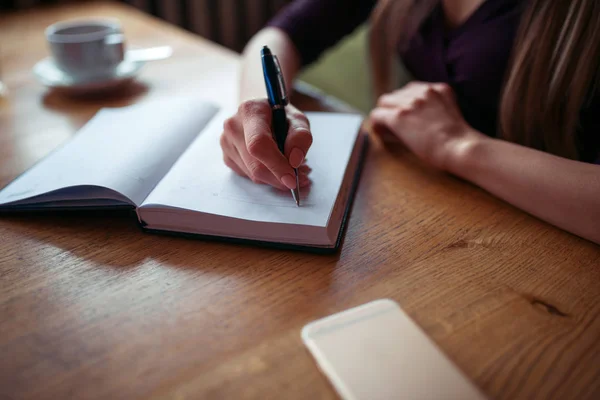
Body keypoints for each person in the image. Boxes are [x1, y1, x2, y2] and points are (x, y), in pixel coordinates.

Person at [219, 0, 600, 245]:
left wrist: (457, 146)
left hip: (551, 244)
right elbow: (279, 35)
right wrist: (261, 108)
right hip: (433, 207)